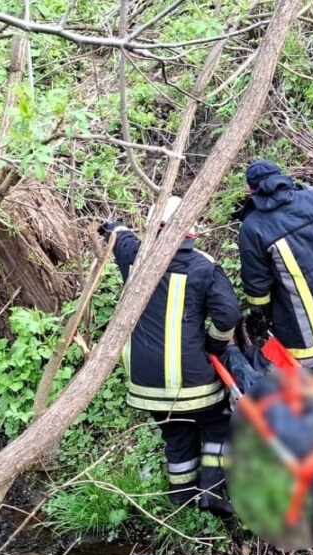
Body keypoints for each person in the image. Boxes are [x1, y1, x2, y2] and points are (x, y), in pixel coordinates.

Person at [99, 197, 239, 512]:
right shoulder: (204, 267)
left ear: (156, 228)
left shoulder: (136, 257)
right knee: (218, 423)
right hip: (193, 381)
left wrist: (111, 228)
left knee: (176, 433)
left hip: (145, 382)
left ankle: (182, 497)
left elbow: (121, 238)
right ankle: (212, 493)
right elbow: (228, 316)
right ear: (191, 231)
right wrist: (215, 345)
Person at [236, 159, 313, 372]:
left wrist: (260, 319)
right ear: (281, 177)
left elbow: (257, 289)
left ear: (251, 190)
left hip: (308, 353)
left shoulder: (252, 228)